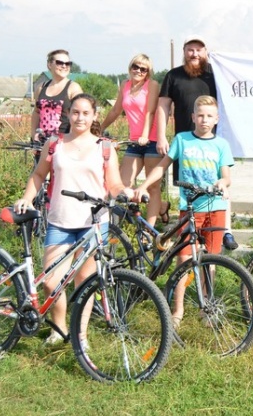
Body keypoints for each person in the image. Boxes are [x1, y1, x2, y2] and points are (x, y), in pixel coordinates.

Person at [14, 94, 131, 344]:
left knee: (85, 284)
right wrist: (27, 197)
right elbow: (38, 175)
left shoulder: (105, 147)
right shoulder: (55, 144)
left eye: (86, 113)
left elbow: (114, 184)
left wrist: (125, 193)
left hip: (94, 223)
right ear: (68, 114)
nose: (80, 117)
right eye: (75, 112)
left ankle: (81, 335)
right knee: (51, 282)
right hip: (60, 220)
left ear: (94, 116)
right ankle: (59, 328)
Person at [134, 95, 234, 329]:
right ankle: (177, 310)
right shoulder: (183, 140)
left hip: (215, 207)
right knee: (184, 259)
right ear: (192, 117)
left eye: (209, 116)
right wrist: (143, 185)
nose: (204, 120)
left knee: (211, 259)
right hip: (189, 209)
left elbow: (226, 175)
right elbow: (162, 166)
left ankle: (206, 307)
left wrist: (222, 182)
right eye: (200, 115)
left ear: (217, 119)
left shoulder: (221, 145)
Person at [155, 36, 236, 250]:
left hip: (214, 140)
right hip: (186, 142)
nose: (194, 54)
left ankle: (225, 231)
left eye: (199, 50)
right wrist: (161, 135)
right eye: (190, 50)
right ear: (184, 52)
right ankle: (190, 232)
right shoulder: (173, 76)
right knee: (189, 184)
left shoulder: (215, 74)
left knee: (221, 181)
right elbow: (163, 106)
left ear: (206, 52)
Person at [101, 53, 163, 225]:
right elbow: (115, 110)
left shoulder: (152, 85)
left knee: (152, 186)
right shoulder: (125, 85)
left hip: (150, 139)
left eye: (143, 69)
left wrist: (145, 135)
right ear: (130, 67)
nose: (139, 71)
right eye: (135, 66)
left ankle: (150, 230)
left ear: (148, 72)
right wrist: (100, 128)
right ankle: (162, 206)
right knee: (123, 184)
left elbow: (150, 111)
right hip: (134, 141)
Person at [31, 49, 83, 141]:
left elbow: (79, 115)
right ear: (49, 65)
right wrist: (33, 135)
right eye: (60, 63)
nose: (64, 66)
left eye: (67, 63)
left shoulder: (73, 88)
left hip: (64, 143)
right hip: (41, 143)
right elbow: (36, 112)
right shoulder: (41, 88)